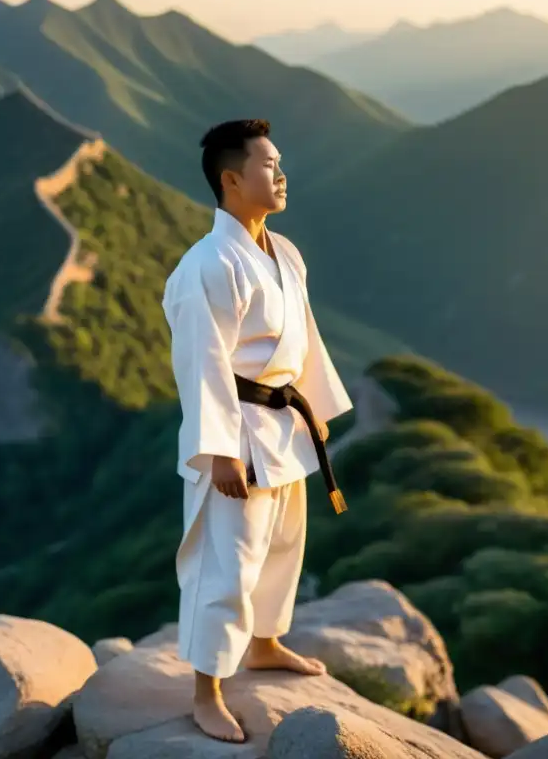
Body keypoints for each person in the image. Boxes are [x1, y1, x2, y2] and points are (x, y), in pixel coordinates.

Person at [161, 119, 354, 743]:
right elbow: (201, 363)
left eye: (280, 163)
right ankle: (205, 690)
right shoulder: (207, 264)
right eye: (270, 165)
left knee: (280, 548)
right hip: (238, 432)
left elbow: (304, 338)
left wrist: (314, 405)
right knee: (227, 562)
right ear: (232, 178)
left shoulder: (283, 252)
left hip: (285, 425)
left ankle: (265, 643)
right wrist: (216, 451)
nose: (281, 174)